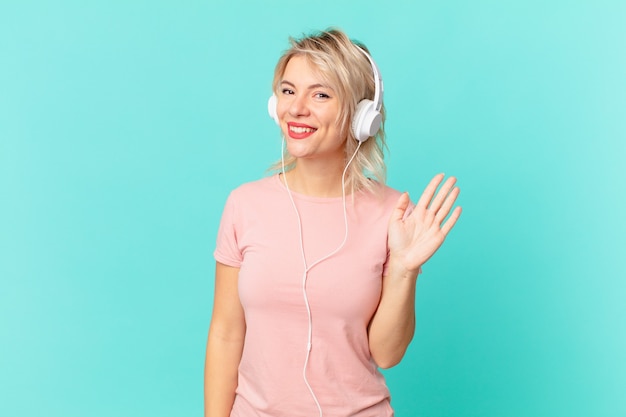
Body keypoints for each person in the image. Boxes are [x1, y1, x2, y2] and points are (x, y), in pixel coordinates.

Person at [204, 28, 462, 417]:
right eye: (288, 91)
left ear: (363, 116)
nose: (297, 108)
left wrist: (405, 270)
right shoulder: (245, 204)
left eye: (321, 94)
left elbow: (387, 354)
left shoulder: (393, 215)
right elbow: (226, 333)